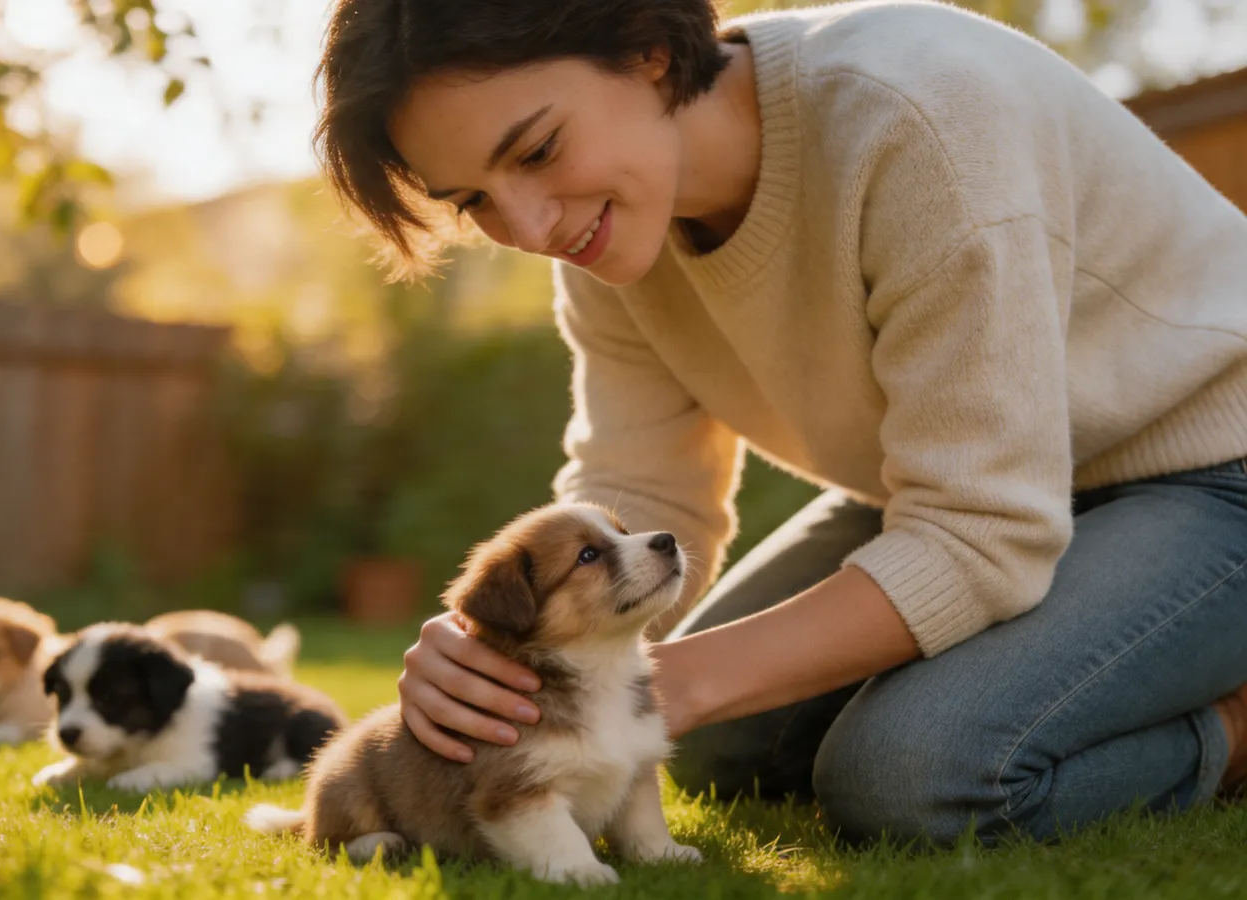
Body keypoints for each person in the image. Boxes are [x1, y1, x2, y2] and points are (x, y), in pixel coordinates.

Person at [313, 0, 1247, 844]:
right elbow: (639, 496)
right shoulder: (603, 236)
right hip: (959, 497)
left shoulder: (916, 113)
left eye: (538, 150)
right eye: (474, 199)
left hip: (1212, 468)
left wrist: (651, 690)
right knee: (721, 755)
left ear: (642, 48)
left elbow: (985, 531)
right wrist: (505, 658)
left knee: (912, 777)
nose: (528, 223)